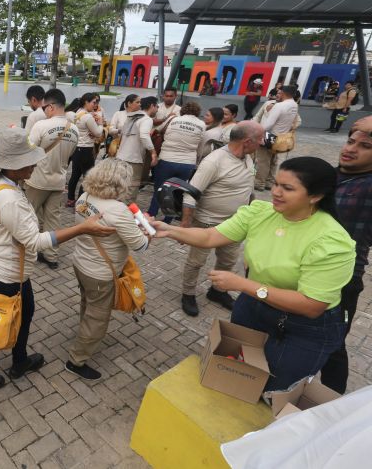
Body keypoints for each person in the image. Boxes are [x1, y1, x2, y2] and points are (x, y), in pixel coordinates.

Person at [152, 156, 355, 391]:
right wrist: (169, 230)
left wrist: (242, 284)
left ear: (316, 196)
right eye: (276, 183)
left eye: (287, 188)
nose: (276, 192)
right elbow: (210, 236)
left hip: (303, 326)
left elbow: (311, 305)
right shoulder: (261, 212)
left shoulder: (332, 241)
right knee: (238, 370)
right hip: (254, 306)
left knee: (277, 387)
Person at [0, 128, 115, 389]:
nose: (35, 163)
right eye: (28, 160)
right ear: (13, 166)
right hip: (2, 274)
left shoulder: (4, 184)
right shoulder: (9, 198)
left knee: (26, 312)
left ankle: (19, 360)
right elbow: (34, 241)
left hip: (6, 269)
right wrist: (81, 228)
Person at [66, 159, 149, 380]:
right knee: (98, 318)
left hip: (81, 263)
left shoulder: (84, 197)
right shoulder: (118, 210)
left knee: (88, 303)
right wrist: (145, 229)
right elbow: (140, 245)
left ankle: (84, 332)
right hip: (101, 273)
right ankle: (76, 360)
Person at [180, 122, 264, 317]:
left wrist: (253, 206)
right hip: (207, 223)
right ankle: (188, 293)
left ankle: (217, 292)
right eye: (260, 139)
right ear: (247, 141)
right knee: (196, 262)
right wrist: (185, 225)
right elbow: (190, 193)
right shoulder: (214, 161)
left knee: (228, 261)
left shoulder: (249, 157)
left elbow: (248, 187)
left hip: (235, 223)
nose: (263, 143)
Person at [320, 128, 372, 393]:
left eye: (366, 146)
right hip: (302, 269)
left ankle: (328, 402)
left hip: (343, 278)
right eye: (351, 141)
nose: (351, 149)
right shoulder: (329, 175)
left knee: (333, 342)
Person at [25, 88, 79, 270]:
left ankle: (27, 250)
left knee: (29, 216)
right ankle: (51, 256)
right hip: (58, 181)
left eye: (44, 107)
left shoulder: (41, 126)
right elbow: (70, 155)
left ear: (50, 107)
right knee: (53, 219)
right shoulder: (75, 129)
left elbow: (29, 151)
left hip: (37, 180)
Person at [147, 102, 205, 219]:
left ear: (183, 110)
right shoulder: (202, 124)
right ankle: (168, 219)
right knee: (177, 191)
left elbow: (160, 131)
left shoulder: (173, 119)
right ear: (197, 112)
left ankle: (151, 214)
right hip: (187, 163)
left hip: (167, 159)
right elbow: (201, 146)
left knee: (159, 187)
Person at [255, 85, 299, 191]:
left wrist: (256, 132)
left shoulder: (280, 106)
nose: (278, 94)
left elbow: (268, 124)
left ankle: (259, 183)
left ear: (283, 93)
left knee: (263, 160)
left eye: (279, 92)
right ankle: (269, 182)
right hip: (282, 138)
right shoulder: (294, 105)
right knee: (273, 161)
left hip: (270, 136)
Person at [114, 96, 157, 202]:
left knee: (119, 188)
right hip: (134, 159)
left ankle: (114, 211)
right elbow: (144, 136)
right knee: (131, 190)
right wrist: (153, 152)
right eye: (157, 107)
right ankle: (124, 214)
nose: (157, 110)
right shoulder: (147, 119)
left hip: (120, 157)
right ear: (152, 106)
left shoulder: (131, 116)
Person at [66, 93, 103, 207]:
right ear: (86, 102)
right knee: (87, 177)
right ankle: (80, 201)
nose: (95, 105)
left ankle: (70, 199)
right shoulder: (88, 117)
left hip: (76, 149)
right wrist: (100, 123)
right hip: (86, 150)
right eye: (93, 102)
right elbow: (98, 133)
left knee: (75, 175)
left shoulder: (77, 113)